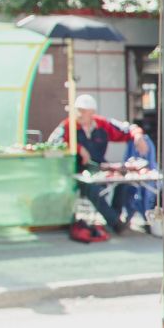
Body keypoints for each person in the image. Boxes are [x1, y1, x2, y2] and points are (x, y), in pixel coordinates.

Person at [50, 93, 132, 233]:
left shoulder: (102, 124)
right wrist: (78, 148)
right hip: (77, 170)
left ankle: (115, 216)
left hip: (100, 167)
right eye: (78, 110)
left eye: (84, 111)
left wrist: (139, 137)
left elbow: (127, 130)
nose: (80, 114)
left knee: (125, 182)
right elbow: (53, 143)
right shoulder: (67, 126)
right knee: (92, 188)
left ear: (92, 112)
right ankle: (116, 223)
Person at [115, 124, 159, 226]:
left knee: (147, 190)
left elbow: (151, 165)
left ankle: (147, 217)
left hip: (146, 177)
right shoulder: (131, 143)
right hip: (131, 176)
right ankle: (121, 219)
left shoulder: (147, 143)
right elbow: (127, 162)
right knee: (123, 188)